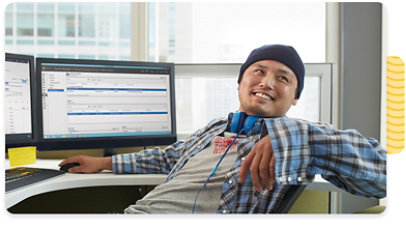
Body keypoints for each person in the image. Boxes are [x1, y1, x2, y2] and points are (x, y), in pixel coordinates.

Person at [59, 44, 386, 214]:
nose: (266, 82)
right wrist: (102, 163)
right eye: (258, 71)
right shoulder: (216, 127)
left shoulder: (302, 137)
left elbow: (382, 172)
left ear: (295, 97)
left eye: (283, 77)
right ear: (241, 81)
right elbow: (168, 158)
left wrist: (298, 139)